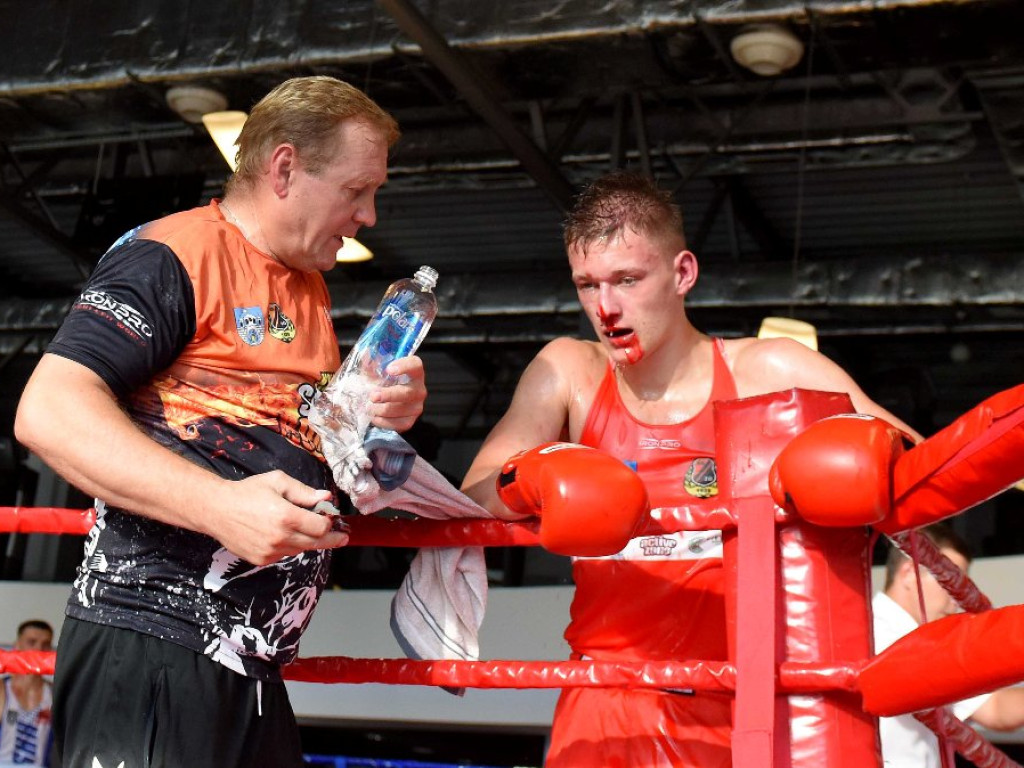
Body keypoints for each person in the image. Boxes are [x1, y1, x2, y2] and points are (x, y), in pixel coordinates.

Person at [14, 76, 426, 768]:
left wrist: (383, 415)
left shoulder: (306, 286)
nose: (370, 216)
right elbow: (48, 409)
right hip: (151, 643)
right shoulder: (177, 253)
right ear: (285, 168)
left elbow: (292, 440)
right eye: (357, 191)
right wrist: (218, 505)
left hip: (251, 664)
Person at [460, 169, 920, 767]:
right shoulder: (570, 371)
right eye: (587, 284)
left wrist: (855, 463)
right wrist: (540, 475)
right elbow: (474, 491)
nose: (606, 307)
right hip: (604, 698)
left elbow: (917, 460)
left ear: (682, 273)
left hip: (738, 698)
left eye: (627, 280)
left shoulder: (770, 369)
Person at [874, 523, 1024, 767]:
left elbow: (995, 709)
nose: (955, 603)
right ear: (909, 575)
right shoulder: (875, 632)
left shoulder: (916, 640)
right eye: (947, 584)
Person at [0, 620, 54, 767]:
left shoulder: (55, 694)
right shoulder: (2, 689)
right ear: (16, 645)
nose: (39, 649)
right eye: (32, 642)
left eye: (45, 644)